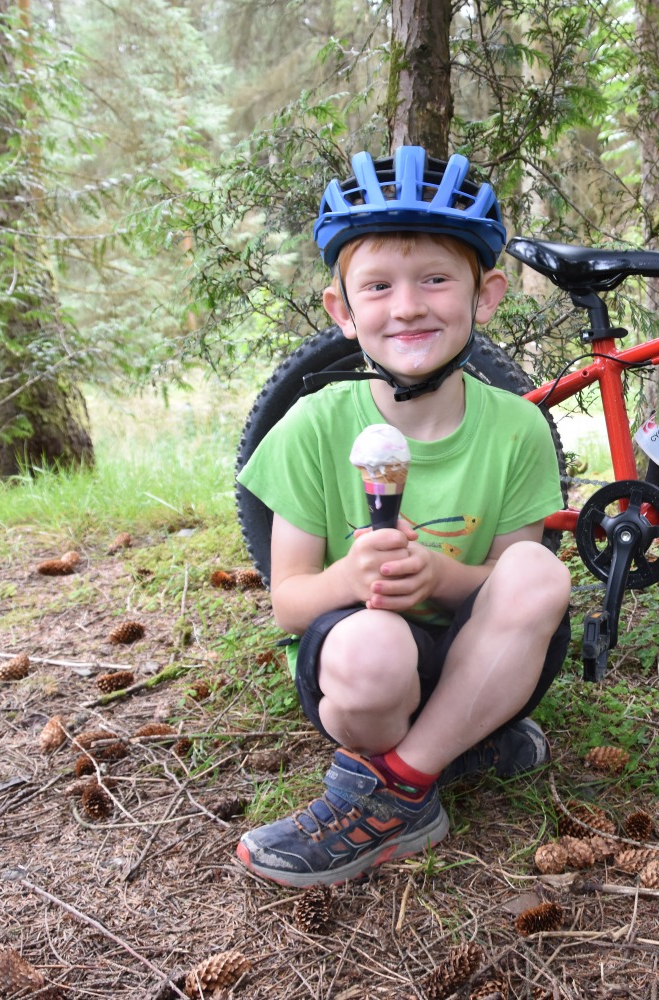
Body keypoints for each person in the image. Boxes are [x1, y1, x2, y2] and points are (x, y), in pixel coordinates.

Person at [233, 147, 572, 888]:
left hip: (477, 652)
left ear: (485, 296)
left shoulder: (517, 427)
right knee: (372, 649)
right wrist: (350, 579)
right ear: (343, 311)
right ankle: (463, 746)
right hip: (363, 660)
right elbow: (289, 603)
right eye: (378, 286)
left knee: (540, 572)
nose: (409, 305)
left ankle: (399, 789)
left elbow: (508, 580)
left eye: (436, 280)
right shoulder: (313, 425)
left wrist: (439, 575)